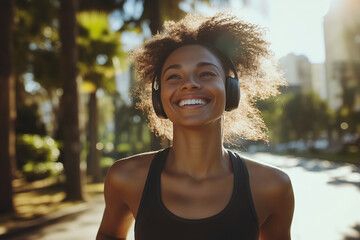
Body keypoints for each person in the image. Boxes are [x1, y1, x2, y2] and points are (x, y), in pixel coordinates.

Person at [96, 11, 294, 240]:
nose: (189, 84)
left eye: (206, 73)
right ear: (158, 97)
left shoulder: (272, 187)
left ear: (231, 89)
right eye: (174, 77)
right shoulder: (126, 178)